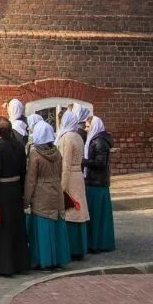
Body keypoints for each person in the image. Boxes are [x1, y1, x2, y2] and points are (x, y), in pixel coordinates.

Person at [0, 116, 31, 276]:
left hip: (0, 192)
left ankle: (1, 265)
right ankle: (18, 263)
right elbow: (24, 170)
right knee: (15, 227)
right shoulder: (19, 146)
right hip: (15, 190)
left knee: (0, 228)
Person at [26, 120, 71, 270]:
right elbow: (60, 171)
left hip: (41, 193)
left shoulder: (35, 154)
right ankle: (58, 259)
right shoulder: (56, 151)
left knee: (43, 228)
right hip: (56, 190)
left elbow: (31, 179)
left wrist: (26, 199)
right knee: (57, 225)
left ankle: (44, 260)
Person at [55, 108, 90, 260]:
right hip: (79, 177)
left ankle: (71, 248)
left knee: (70, 208)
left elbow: (65, 163)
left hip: (69, 177)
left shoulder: (66, 138)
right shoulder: (78, 136)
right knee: (79, 209)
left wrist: (62, 187)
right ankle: (81, 246)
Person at [82, 116, 115, 253]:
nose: (86, 129)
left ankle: (97, 244)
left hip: (97, 182)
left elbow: (100, 163)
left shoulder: (99, 141)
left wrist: (84, 161)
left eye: (88, 126)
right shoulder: (97, 140)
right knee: (98, 216)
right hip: (97, 181)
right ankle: (98, 243)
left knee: (96, 216)